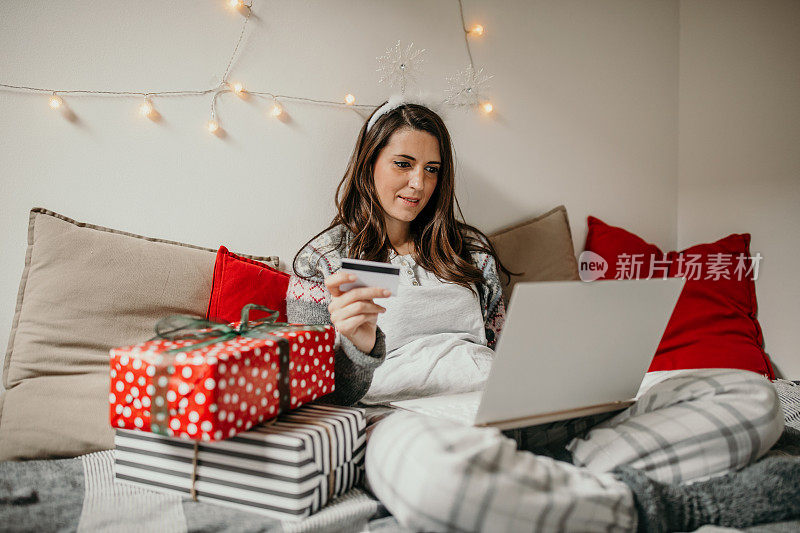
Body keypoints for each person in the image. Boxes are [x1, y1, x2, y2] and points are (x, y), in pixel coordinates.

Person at [286, 96, 796, 532]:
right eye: (403, 164)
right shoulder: (322, 261)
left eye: (432, 169)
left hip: (506, 410)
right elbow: (317, 399)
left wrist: (564, 381)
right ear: (368, 162)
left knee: (751, 394)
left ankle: (545, 480)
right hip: (408, 423)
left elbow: (504, 348)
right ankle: (670, 505)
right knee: (430, 477)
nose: (419, 184)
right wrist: (357, 345)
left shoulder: (470, 252)